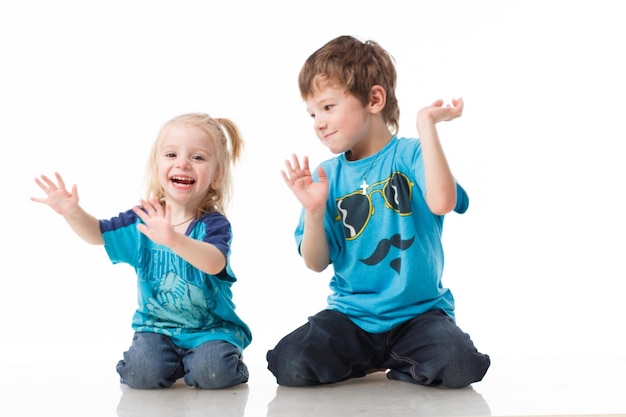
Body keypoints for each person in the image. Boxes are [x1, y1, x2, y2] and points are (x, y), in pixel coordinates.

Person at [266, 35, 490, 388]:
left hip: (420, 317)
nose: (318, 123)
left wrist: (426, 126)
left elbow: (442, 202)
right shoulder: (327, 175)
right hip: (351, 318)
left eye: (327, 107)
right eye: (312, 113)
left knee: (459, 364)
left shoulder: (414, 155)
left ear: (374, 99)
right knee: (290, 363)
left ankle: (395, 358)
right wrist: (312, 211)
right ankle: (375, 359)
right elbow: (315, 261)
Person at [32, 113, 251, 390]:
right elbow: (98, 234)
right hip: (156, 330)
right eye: (171, 154)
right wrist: (72, 213)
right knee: (141, 373)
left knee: (214, 373)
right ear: (158, 167)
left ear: (217, 176)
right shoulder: (142, 220)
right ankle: (176, 363)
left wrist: (174, 239)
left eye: (198, 157)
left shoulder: (213, 224)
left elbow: (214, 262)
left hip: (210, 331)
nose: (182, 163)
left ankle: (208, 360)